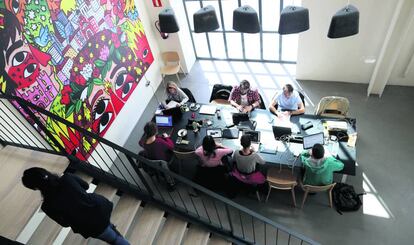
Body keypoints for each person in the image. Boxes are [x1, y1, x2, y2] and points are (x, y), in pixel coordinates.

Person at [21, 167, 129, 245]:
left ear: (35, 188)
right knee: (107, 226)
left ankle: (113, 233)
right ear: (46, 172)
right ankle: (110, 227)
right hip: (99, 207)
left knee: (114, 240)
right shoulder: (67, 178)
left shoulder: (47, 206)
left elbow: (65, 224)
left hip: (89, 225)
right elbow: (85, 186)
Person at [139, 121, 176, 189]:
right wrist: (167, 138)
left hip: (150, 159)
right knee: (171, 151)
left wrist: (157, 137)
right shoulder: (159, 141)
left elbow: (140, 143)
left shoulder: (143, 141)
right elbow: (172, 146)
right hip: (162, 161)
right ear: (156, 131)